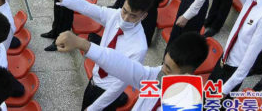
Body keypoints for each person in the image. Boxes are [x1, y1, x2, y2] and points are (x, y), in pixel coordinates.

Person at [40, 0, 153, 110]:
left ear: (144, 16)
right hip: (94, 81)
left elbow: (118, 86)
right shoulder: (115, 16)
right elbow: (86, 7)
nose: (125, 19)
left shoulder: (139, 47)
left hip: (108, 94)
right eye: (124, 11)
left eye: (133, 16)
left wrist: (94, 108)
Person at [54, 30, 210, 111]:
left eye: (168, 69)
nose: (162, 70)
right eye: (164, 63)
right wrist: (82, 44)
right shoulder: (159, 75)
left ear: (187, 74)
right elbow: (125, 67)